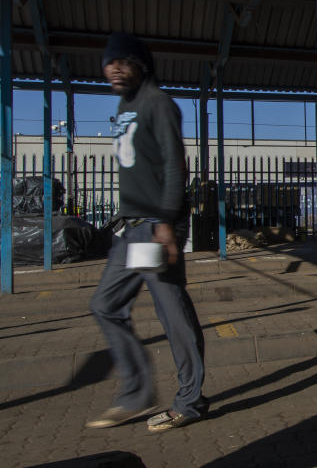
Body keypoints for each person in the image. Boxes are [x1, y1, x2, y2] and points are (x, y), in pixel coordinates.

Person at [86, 32, 208, 432]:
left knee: (173, 313)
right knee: (105, 304)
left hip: (157, 226)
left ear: (142, 64)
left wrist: (165, 226)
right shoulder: (125, 105)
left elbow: (175, 167)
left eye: (123, 61)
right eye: (109, 62)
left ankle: (190, 401)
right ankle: (137, 393)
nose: (114, 68)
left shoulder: (159, 105)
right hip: (132, 230)